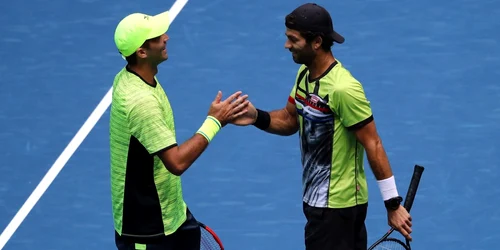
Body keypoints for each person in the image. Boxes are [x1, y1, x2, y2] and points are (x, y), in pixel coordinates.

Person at [230, 3, 412, 250]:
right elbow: (290, 118)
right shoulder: (304, 76)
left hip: (339, 206)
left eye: (293, 39)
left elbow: (373, 142)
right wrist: (256, 117)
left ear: (316, 42)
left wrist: (392, 204)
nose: (286, 45)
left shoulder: (343, 89)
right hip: (316, 202)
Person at [109, 10, 249, 250]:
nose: (166, 38)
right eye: (157, 37)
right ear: (142, 52)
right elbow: (176, 163)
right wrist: (215, 121)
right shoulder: (141, 102)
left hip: (171, 215)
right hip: (148, 232)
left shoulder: (131, 77)